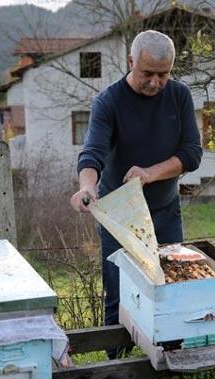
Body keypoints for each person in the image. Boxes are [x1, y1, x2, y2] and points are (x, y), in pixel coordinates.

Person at [71, 29, 203, 357]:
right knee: (119, 296)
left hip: (165, 212)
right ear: (130, 62)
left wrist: (149, 174)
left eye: (164, 74)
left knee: (172, 285)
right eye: (147, 74)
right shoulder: (108, 102)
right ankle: (117, 369)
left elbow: (192, 154)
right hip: (120, 218)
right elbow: (92, 154)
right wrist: (87, 186)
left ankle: (171, 360)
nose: (156, 82)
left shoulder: (180, 96)